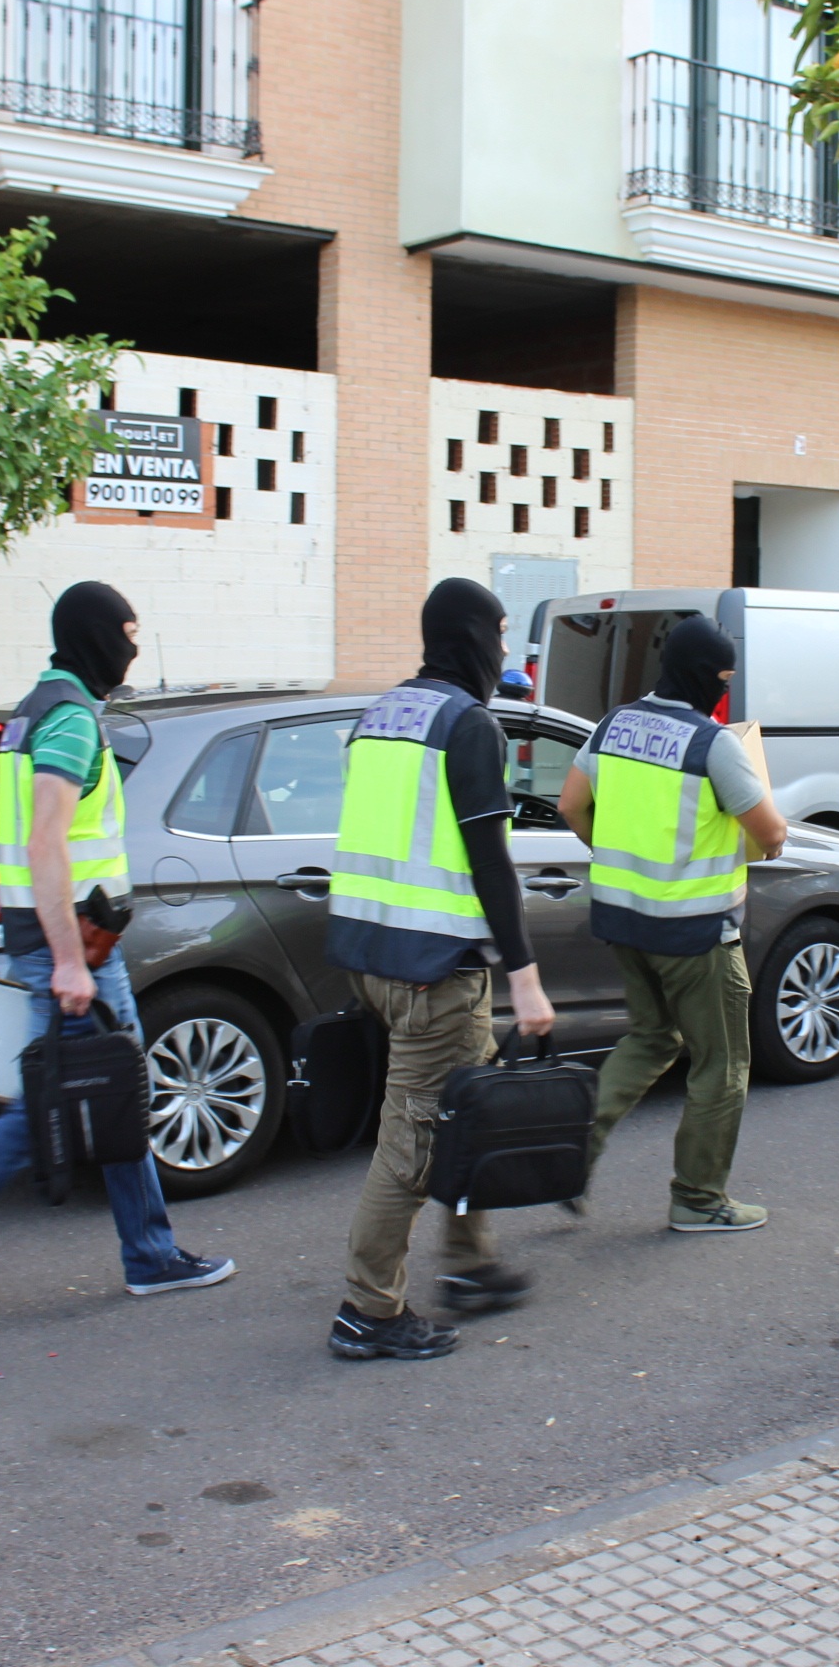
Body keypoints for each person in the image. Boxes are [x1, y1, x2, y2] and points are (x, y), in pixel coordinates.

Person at [0, 583, 233, 1336]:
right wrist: (70, 961)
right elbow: (44, 840)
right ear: (94, 636)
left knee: (119, 1086)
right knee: (47, 1109)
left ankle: (150, 1253)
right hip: (74, 947)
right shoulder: (68, 721)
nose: (132, 649)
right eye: (125, 633)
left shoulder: (36, 710)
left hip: (74, 939)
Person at [322, 579, 555, 1361]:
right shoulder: (468, 724)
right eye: (497, 631)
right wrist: (523, 974)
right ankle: (368, 1309)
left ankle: (471, 1262)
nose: (503, 649)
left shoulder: (379, 715)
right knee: (412, 1146)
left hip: (376, 961)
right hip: (435, 973)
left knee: (464, 1113)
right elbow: (491, 863)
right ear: (469, 636)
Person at [557, 617, 789, 1233]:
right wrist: (761, 844)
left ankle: (572, 1150)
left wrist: (610, 852)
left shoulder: (614, 725)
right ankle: (698, 1198)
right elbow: (770, 834)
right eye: (723, 679)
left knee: (653, 1037)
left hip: (623, 922)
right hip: (696, 934)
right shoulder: (713, 743)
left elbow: (571, 804)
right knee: (722, 1063)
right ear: (705, 677)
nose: (724, 690)